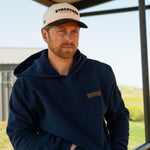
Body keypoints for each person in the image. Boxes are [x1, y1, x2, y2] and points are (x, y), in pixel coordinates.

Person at [7, 2, 129, 150]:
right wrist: (67, 148)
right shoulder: (27, 84)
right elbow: (20, 136)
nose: (69, 38)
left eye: (74, 31)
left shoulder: (100, 73)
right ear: (45, 34)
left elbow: (118, 117)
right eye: (62, 31)